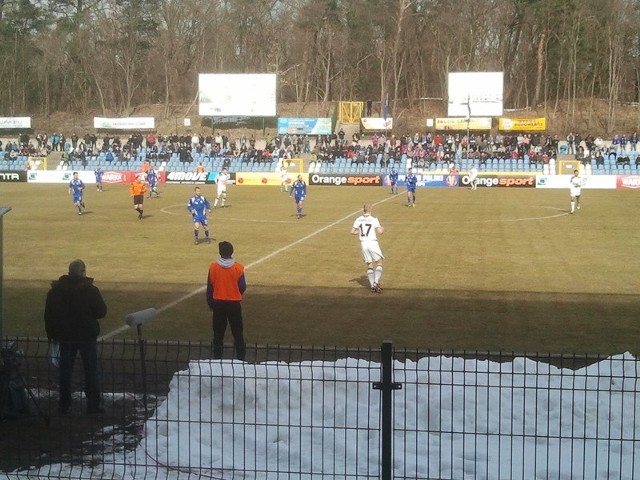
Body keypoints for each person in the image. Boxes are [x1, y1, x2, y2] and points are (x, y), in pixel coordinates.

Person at [44, 259, 108, 415]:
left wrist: (52, 335)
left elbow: (48, 316)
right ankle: (93, 406)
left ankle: (64, 405)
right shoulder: (91, 290)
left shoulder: (55, 291)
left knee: (65, 371)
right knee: (90, 370)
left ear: (68, 272)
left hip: (65, 336)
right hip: (86, 336)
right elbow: (101, 312)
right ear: (83, 271)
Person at [206, 241, 247, 360]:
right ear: (232, 252)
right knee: (238, 333)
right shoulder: (238, 267)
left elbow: (210, 286)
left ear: (220, 252)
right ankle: (241, 358)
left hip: (218, 304)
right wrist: (235, 293)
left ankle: (217, 358)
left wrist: (210, 303)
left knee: (218, 334)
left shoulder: (213, 267)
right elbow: (242, 286)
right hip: (234, 304)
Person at [351, 204, 385, 293]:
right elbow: (380, 232)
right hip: (372, 243)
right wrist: (382, 228)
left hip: (363, 244)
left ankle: (372, 285)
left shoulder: (358, 219)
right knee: (380, 262)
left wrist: (360, 232)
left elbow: (352, 231)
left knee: (369, 264)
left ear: (363, 210)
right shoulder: (374, 219)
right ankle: (375, 282)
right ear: (371, 210)